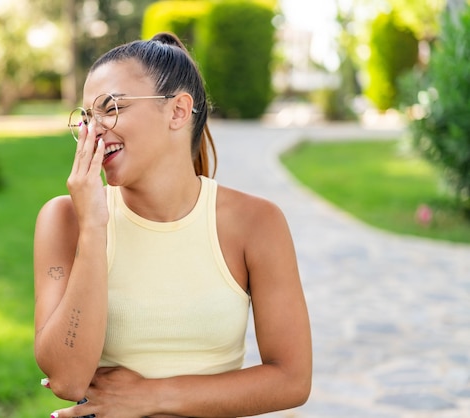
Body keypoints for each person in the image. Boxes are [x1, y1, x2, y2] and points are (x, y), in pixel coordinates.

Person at [33, 32, 311, 418]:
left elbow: (291, 380)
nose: (91, 131)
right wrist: (94, 228)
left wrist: (152, 396)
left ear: (178, 111)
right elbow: (67, 379)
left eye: (111, 108)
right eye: (85, 116)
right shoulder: (65, 219)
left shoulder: (257, 223)